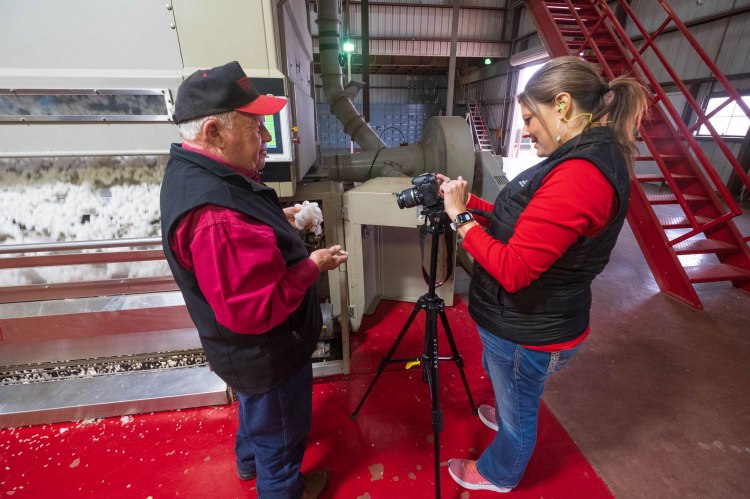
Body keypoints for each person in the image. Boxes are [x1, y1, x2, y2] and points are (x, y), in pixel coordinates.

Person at [439, 56, 650, 493]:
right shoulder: (580, 156)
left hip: (531, 330)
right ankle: (508, 401)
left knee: (519, 415)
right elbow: (525, 222)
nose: (527, 129)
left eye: (531, 118)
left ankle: (498, 473)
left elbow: (515, 270)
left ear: (564, 105)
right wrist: (470, 204)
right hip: (526, 321)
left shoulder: (581, 175)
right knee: (509, 384)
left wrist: (461, 221)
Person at [159, 61, 348, 498]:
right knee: (280, 431)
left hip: (241, 358)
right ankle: (282, 487)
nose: (265, 138)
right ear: (213, 131)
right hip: (268, 356)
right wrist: (312, 265)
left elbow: (241, 229)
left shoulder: (199, 172)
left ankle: (248, 464)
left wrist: (275, 221)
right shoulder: (218, 217)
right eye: (256, 128)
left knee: (255, 412)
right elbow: (254, 310)